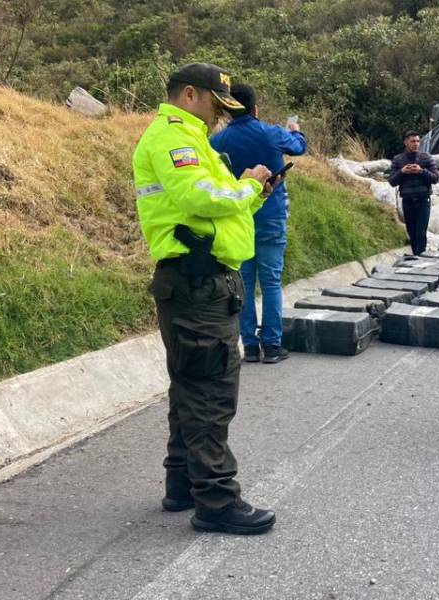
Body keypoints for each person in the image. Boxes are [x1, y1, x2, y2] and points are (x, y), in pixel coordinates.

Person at [132, 63, 277, 535]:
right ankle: (215, 500)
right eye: (216, 104)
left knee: (190, 385)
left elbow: (215, 212)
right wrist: (249, 184)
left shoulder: (192, 138)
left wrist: (254, 194)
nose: (220, 115)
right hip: (197, 284)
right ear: (189, 94)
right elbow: (200, 198)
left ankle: (181, 484)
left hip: (201, 280)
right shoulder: (174, 136)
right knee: (210, 391)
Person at [211, 84, 308, 365]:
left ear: (228, 110)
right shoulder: (271, 132)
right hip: (271, 215)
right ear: (255, 109)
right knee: (271, 282)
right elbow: (299, 147)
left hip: (239, 218)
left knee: (245, 282)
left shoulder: (218, 141)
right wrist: (295, 129)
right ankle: (273, 345)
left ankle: (251, 347)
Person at [387, 131, 439, 256]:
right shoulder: (398, 159)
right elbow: (392, 181)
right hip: (407, 202)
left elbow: (435, 178)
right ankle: (416, 257)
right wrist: (402, 171)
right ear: (406, 142)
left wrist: (421, 171)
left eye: (418, 141)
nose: (416, 144)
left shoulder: (426, 158)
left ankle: (420, 258)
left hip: (423, 201)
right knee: (412, 233)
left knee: (421, 233)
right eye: (413, 141)